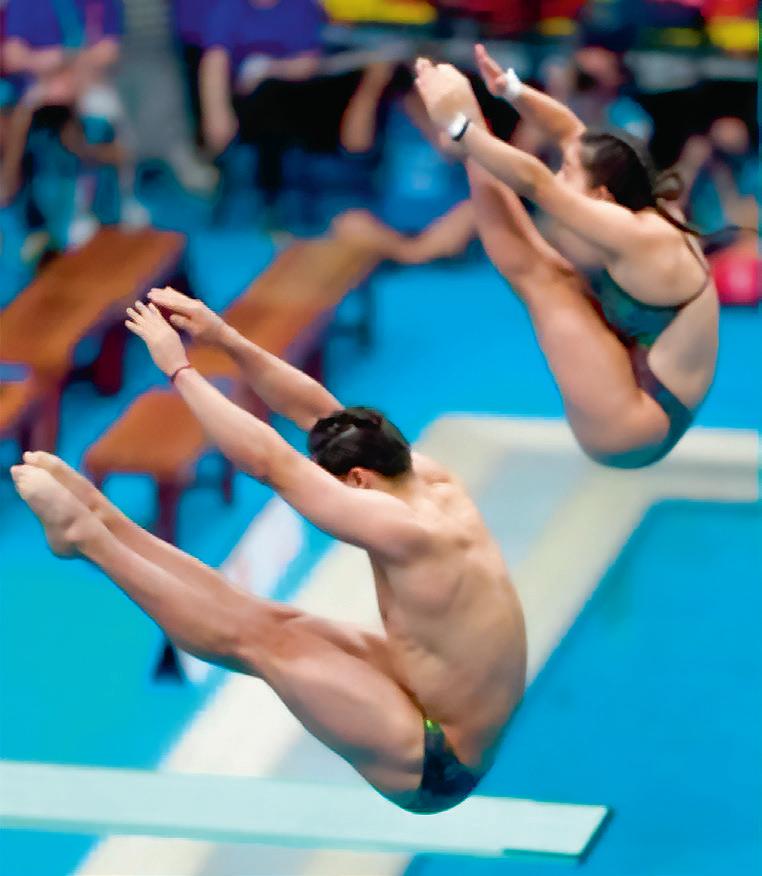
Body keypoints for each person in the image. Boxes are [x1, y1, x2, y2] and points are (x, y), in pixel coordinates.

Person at [11, 287, 527, 814]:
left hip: (439, 761)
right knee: (281, 623)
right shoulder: (426, 478)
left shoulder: (404, 530)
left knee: (257, 642)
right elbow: (321, 413)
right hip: (447, 697)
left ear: (357, 479)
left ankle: (90, 541)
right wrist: (226, 339)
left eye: (333, 485)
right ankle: (105, 521)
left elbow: (272, 464)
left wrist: (180, 371)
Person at [413, 47, 719, 468]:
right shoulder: (631, 199)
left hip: (637, 428)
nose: (560, 175)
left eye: (568, 172)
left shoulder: (639, 236)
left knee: (540, 277)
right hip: (646, 374)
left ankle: (471, 142)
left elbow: (537, 184)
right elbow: (570, 130)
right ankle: (474, 140)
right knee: (549, 271)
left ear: (602, 195)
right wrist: (511, 89)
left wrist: (461, 125)